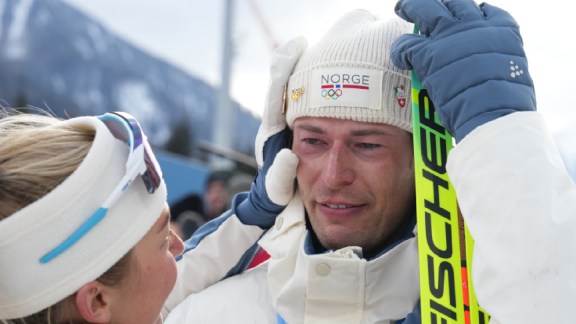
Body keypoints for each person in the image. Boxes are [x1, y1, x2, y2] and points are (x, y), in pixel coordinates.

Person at [163, 0, 576, 323]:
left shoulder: (492, 304)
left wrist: (503, 140)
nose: (334, 174)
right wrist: (245, 221)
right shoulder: (210, 312)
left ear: (424, 160)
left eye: (367, 145)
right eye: (313, 141)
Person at [0, 109, 289, 323]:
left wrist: (255, 211)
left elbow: (182, 274)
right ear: (97, 301)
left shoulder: (124, 308)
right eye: (163, 240)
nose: (180, 246)